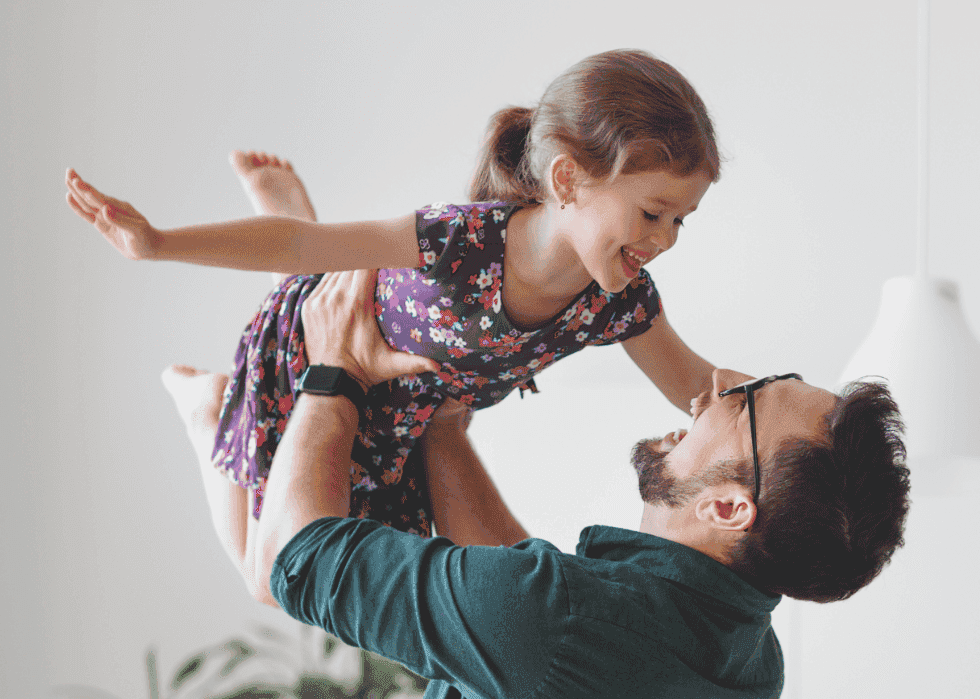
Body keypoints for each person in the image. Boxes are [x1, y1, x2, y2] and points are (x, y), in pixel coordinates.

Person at [236, 266, 910, 699]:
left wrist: (333, 373)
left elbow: (295, 556)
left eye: (743, 403)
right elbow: (534, 648)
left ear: (730, 507)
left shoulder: (560, 621)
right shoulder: (746, 670)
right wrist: (444, 435)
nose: (716, 382)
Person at [65, 49, 725, 600]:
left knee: (329, 575)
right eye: (652, 213)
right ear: (568, 179)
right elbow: (298, 244)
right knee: (269, 581)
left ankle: (304, 262)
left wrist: (815, 413)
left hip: (399, 421)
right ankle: (207, 407)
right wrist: (156, 242)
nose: (665, 239)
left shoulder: (619, 300)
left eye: (680, 221)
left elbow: (699, 384)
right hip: (312, 362)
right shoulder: (460, 241)